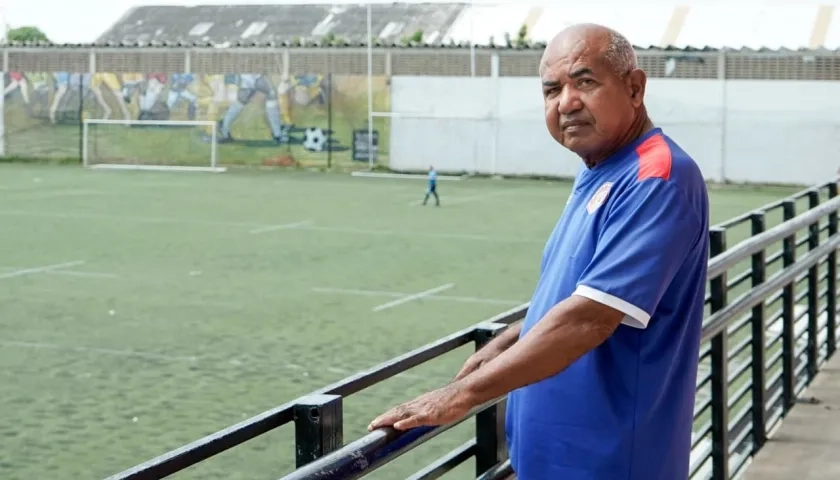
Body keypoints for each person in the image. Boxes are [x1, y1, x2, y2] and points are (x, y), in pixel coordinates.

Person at [368, 23, 710, 480]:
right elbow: (576, 293)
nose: (566, 102)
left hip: (611, 465)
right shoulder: (604, 171)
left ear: (634, 87)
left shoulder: (656, 177)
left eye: (585, 81)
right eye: (551, 90)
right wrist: (513, 338)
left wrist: (458, 396)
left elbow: (591, 316)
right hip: (559, 461)